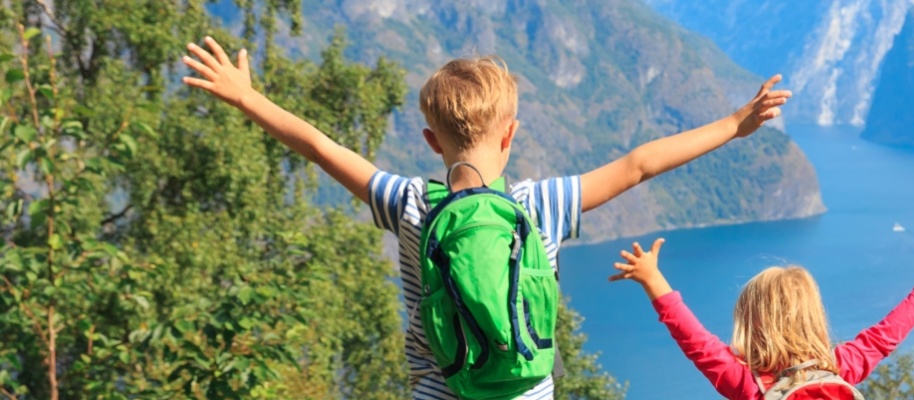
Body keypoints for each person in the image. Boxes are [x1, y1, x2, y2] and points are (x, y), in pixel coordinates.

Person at [180, 36, 792, 399]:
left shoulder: (409, 203)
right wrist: (735, 124)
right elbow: (638, 165)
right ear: (512, 135)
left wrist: (247, 95)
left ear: (429, 140)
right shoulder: (539, 207)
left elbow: (319, 146)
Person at [608, 238, 914, 400]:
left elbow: (694, 339)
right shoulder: (839, 368)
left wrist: (652, 277)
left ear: (750, 321)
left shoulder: (748, 385)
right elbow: (886, 335)